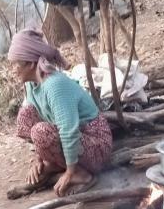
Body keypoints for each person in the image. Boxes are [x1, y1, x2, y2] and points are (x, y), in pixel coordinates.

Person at [8, 29, 112, 197]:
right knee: (25, 116)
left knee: (40, 131)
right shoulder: (31, 85)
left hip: (96, 143)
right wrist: (39, 159)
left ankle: (80, 173)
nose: (13, 70)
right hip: (79, 142)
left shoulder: (55, 85)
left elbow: (68, 131)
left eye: (16, 65)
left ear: (31, 64)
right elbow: (39, 118)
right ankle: (53, 164)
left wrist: (70, 172)